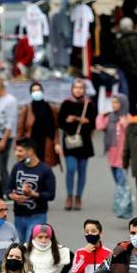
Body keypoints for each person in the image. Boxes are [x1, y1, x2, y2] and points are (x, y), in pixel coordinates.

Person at [58, 79, 97, 211]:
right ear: (72, 89)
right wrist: (68, 120)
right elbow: (60, 123)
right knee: (70, 169)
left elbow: (94, 124)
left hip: (84, 142)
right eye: (76, 88)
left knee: (82, 171)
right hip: (70, 141)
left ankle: (78, 197)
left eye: (81, 88)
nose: (78, 90)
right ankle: (69, 196)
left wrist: (85, 121)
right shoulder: (66, 104)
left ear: (84, 90)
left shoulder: (89, 104)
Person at [6, 138, 56, 242]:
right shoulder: (17, 167)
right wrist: (13, 196)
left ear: (30, 151)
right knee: (19, 248)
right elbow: (8, 189)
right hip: (18, 216)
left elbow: (51, 195)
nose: (16, 154)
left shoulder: (45, 170)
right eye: (16, 150)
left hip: (37, 216)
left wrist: (33, 194)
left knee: (30, 246)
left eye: (20, 151)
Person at [16, 80, 59, 170]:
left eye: (38, 90)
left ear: (42, 91)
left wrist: (57, 143)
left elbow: (55, 127)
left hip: (47, 143)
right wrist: (18, 145)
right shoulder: (27, 108)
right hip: (31, 143)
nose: (36, 92)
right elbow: (20, 128)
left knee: (45, 169)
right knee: (31, 169)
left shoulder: (50, 108)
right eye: (34, 91)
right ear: (31, 93)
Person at [0, 77, 19, 184]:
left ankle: (7, 190)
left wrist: (4, 140)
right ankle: (1, 187)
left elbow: (11, 121)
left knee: (2, 164)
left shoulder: (11, 100)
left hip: (5, 137)